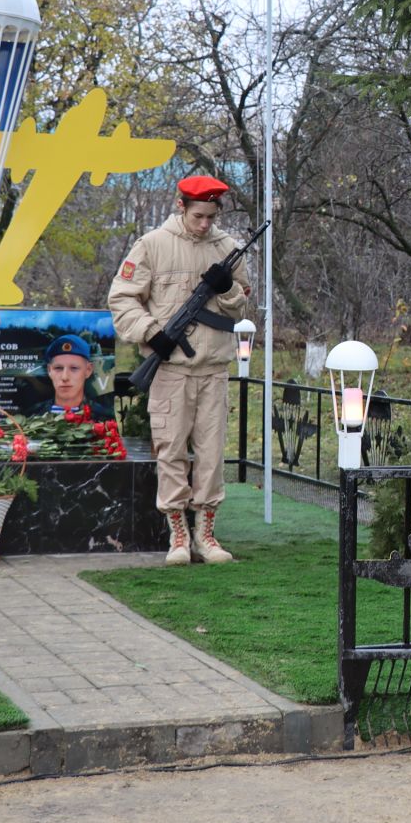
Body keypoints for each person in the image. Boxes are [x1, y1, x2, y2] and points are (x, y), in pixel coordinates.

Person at [107, 175, 250, 567]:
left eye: (211, 216)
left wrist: (227, 290)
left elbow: (240, 309)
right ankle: (178, 535)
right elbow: (121, 299)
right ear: (181, 206)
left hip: (214, 369)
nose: (205, 224)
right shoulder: (152, 245)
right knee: (171, 450)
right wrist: (153, 334)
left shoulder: (228, 249)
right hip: (171, 370)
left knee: (211, 453)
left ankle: (206, 533)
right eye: (198, 215)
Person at [38, 334, 115, 421]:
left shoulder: (106, 419)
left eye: (74, 368)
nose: (65, 377)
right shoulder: (32, 415)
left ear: (88, 370)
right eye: (58, 368)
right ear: (49, 370)